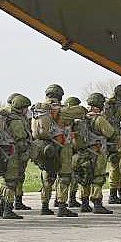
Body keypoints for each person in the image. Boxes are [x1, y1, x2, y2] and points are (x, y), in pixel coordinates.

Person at [31, 84, 77, 217]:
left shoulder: (38, 110)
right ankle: (62, 206)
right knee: (64, 177)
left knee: (47, 178)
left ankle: (44, 206)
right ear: (60, 96)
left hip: (45, 148)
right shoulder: (62, 110)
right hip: (63, 147)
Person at [0, 93, 31, 219]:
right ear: (20, 107)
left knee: (6, 182)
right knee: (11, 182)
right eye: (25, 108)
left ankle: (1, 208)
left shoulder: (6, 116)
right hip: (12, 154)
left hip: (5, 152)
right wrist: (26, 151)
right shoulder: (15, 119)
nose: (26, 110)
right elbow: (20, 138)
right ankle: (7, 210)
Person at [81, 93, 115, 214]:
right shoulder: (99, 119)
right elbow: (110, 133)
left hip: (84, 152)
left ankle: (84, 203)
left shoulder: (83, 118)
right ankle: (97, 203)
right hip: (98, 152)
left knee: (85, 176)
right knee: (98, 177)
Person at [104, 85, 121, 204]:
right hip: (118, 140)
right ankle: (113, 194)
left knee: (117, 167)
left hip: (108, 139)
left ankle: (119, 193)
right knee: (117, 167)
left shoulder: (108, 105)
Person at [64, 96, 83, 208]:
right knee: (73, 176)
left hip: (62, 148)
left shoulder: (60, 118)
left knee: (62, 176)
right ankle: (71, 198)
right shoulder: (74, 121)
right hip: (72, 150)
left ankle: (58, 199)